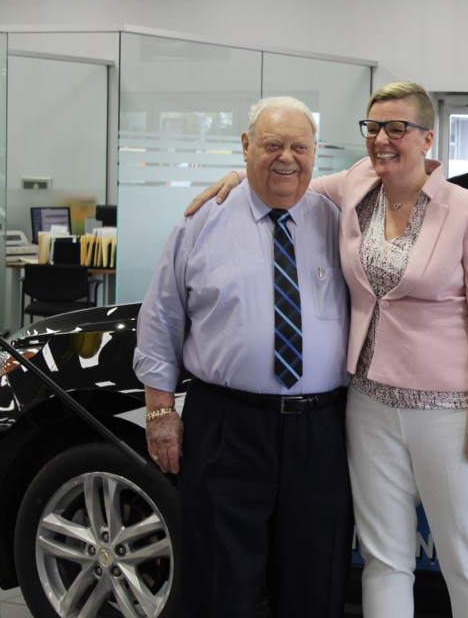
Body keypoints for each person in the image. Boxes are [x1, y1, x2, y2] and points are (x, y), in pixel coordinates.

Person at [189, 82, 468, 618]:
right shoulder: (358, 184)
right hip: (367, 405)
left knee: (466, 561)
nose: (383, 140)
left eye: (397, 128)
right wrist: (236, 179)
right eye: (374, 127)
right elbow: (286, 181)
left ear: (428, 137)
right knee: (385, 560)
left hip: (446, 411)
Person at [134, 96, 352, 618]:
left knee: (314, 586)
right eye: (272, 144)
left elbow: (396, 161)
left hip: (320, 433)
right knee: (218, 586)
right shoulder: (202, 221)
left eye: (300, 146)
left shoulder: (338, 222)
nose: (287, 158)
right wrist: (160, 410)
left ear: (315, 152)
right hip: (226, 429)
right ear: (245, 146)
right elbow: (162, 318)